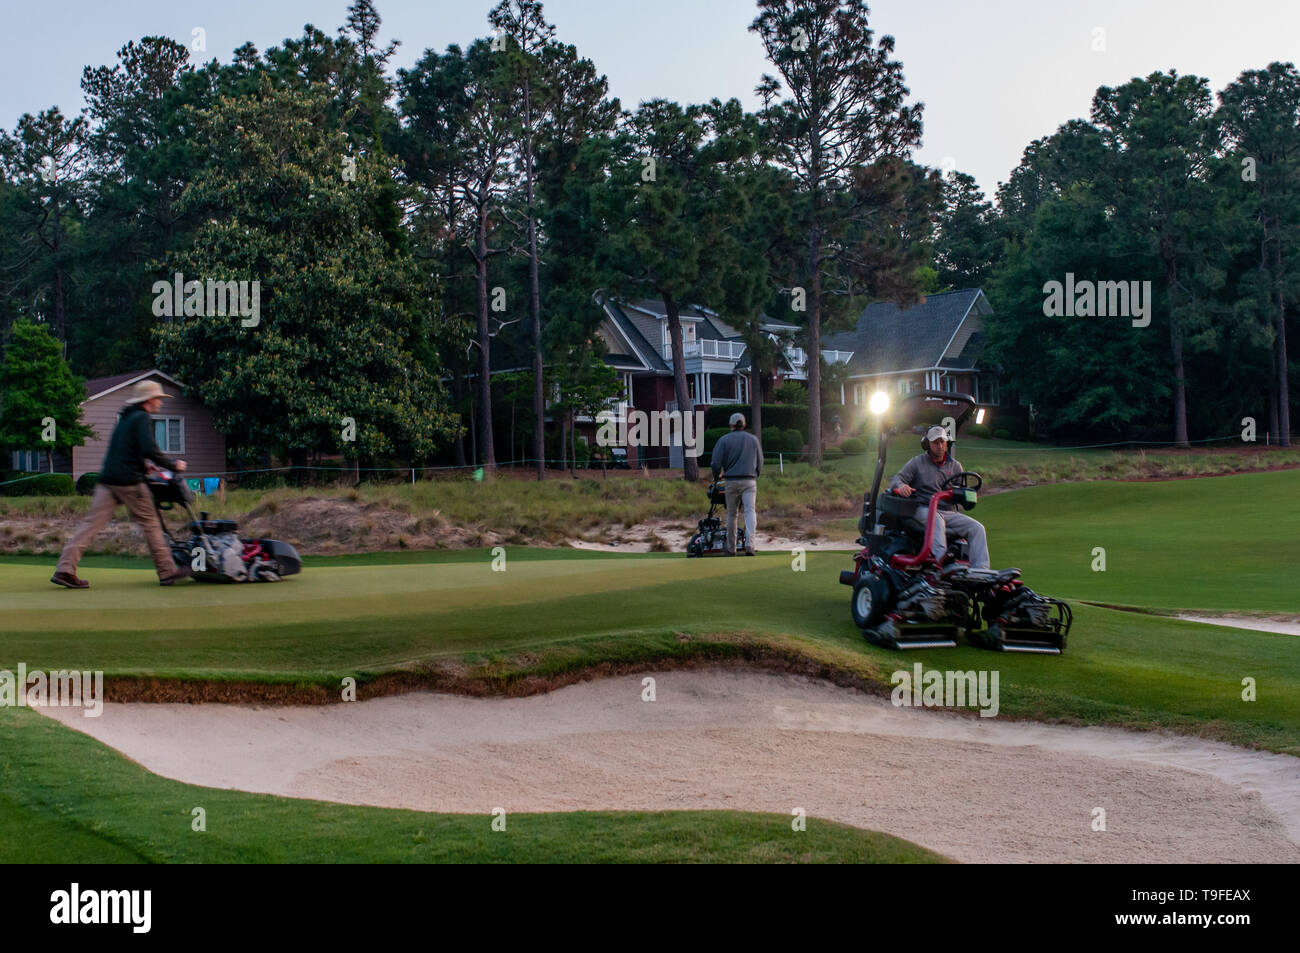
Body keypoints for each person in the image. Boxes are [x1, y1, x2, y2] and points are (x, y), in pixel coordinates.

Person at [51, 380, 191, 588]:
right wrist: (172, 465)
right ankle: (167, 571)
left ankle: (65, 569)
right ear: (149, 399)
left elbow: (125, 451)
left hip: (108, 480)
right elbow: (149, 448)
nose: (160, 403)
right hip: (130, 482)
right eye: (158, 399)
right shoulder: (142, 417)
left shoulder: (126, 418)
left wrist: (145, 467)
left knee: (90, 525)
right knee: (151, 524)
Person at [889, 425, 990, 570]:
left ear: (947, 443)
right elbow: (897, 479)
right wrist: (901, 486)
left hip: (948, 511)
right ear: (927, 444)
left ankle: (981, 570)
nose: (940, 445)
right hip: (923, 508)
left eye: (942, 441)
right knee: (936, 519)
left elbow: (960, 494)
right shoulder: (917, 462)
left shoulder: (955, 466)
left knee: (977, 528)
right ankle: (942, 562)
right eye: (935, 442)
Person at [710, 412, 762, 556]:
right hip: (749, 480)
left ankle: (731, 548)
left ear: (731, 424)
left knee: (732, 514)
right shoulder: (753, 439)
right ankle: (750, 545)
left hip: (731, 481)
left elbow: (715, 462)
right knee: (750, 511)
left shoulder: (724, 440)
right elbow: (760, 461)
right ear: (744, 424)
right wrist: (756, 474)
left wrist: (717, 475)